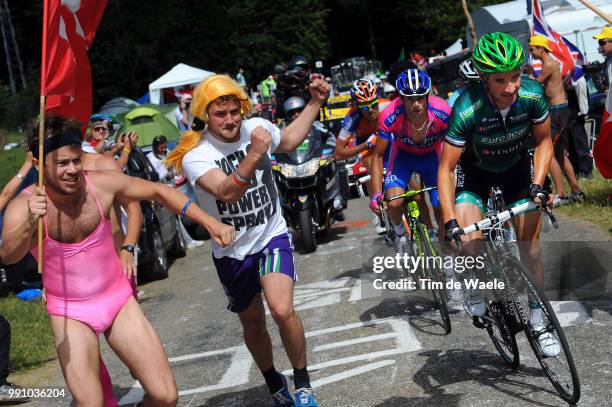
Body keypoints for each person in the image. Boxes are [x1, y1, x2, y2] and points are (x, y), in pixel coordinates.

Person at [0, 116, 235, 406]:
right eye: (62, 163)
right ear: (38, 165)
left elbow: (159, 191)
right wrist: (29, 223)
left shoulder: (99, 185)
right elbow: (9, 255)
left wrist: (210, 223)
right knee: (92, 404)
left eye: (76, 160)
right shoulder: (24, 205)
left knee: (165, 396)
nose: (73, 170)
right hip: (69, 312)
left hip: (117, 299)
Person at [166, 74, 330, 407]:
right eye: (219, 114)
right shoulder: (196, 155)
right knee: (253, 323)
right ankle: (274, 383)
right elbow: (226, 191)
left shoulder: (256, 127)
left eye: (233, 111)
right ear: (205, 116)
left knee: (282, 309)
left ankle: (303, 384)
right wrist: (254, 154)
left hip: (271, 235)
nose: (229, 120)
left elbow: (287, 141)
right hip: (232, 252)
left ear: (242, 108)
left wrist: (314, 103)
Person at [438, 32, 559, 357]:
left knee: (531, 251)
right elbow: (446, 169)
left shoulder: (532, 95)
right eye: (500, 80)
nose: (511, 87)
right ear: (483, 79)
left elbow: (545, 142)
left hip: (517, 171)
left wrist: (538, 183)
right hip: (474, 175)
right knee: (468, 241)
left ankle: (539, 319)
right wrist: (449, 220)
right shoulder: (467, 108)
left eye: (516, 76)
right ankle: (475, 283)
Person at [370, 68, 451, 252]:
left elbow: (452, 147)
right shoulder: (390, 114)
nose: (416, 104)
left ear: (427, 95)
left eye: (420, 97)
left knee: (442, 209)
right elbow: (378, 155)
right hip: (403, 159)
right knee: (394, 202)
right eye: (409, 99)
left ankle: (448, 268)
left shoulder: (442, 110)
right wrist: (375, 193)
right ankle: (399, 232)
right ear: (401, 98)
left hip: (433, 158)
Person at [529, 35, 585, 206]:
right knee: (559, 152)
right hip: (560, 110)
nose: (530, 52)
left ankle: (560, 192)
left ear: (541, 49)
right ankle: (575, 189)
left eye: (532, 49)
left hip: (556, 112)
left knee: (550, 152)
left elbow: (535, 86)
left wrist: (530, 74)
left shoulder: (549, 65)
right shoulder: (552, 63)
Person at [334, 79, 389, 228]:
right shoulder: (351, 118)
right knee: (372, 168)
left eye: (373, 104)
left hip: (385, 136)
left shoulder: (386, 106)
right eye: (365, 106)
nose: (371, 109)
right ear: (357, 106)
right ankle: (377, 208)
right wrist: (366, 144)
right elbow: (338, 153)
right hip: (365, 142)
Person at [147, 135, 204, 250]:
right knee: (176, 215)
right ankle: (188, 241)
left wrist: (173, 167)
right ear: (155, 147)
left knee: (181, 212)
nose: (163, 149)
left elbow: (174, 171)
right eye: (161, 148)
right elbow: (156, 175)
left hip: (173, 186)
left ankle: (188, 239)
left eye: (164, 147)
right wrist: (166, 170)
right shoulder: (151, 158)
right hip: (163, 189)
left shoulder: (167, 152)